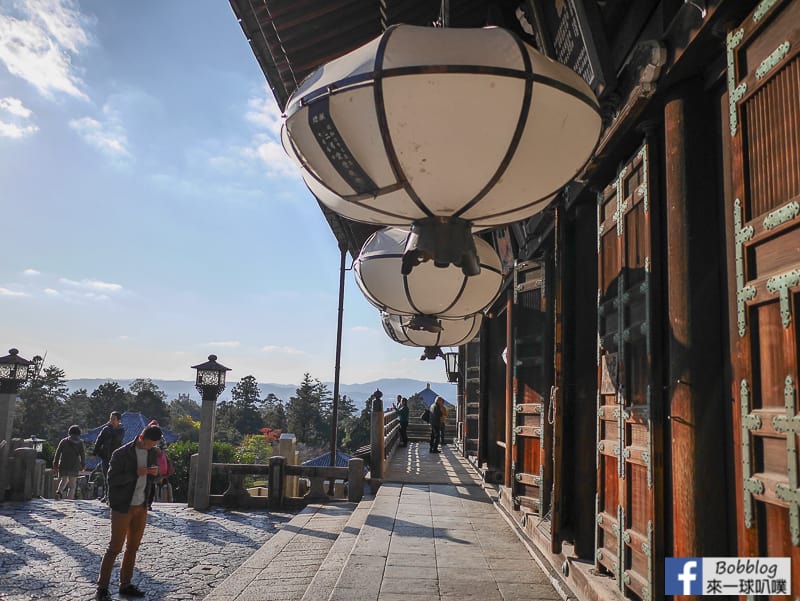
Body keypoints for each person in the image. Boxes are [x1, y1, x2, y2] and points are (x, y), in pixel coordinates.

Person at [95, 424, 162, 601]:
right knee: (115, 547)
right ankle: (102, 586)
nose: (151, 447)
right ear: (142, 438)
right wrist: (135, 473)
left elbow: (156, 478)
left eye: (154, 445)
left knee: (133, 547)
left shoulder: (153, 453)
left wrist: (155, 474)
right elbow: (112, 480)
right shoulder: (121, 453)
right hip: (122, 506)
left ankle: (125, 583)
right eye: (150, 444)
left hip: (141, 506)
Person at [94, 411, 125, 502]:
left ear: (118, 421)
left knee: (114, 476)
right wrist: (95, 452)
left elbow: (116, 439)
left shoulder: (121, 430)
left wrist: (110, 428)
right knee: (106, 476)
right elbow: (99, 440)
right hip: (105, 456)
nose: (111, 421)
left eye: (114, 419)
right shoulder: (105, 429)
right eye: (111, 419)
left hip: (116, 457)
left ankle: (114, 496)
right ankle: (107, 495)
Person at [53, 425, 86, 500]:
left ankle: (59, 492)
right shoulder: (80, 443)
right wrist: (83, 464)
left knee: (64, 480)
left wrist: (55, 465)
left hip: (63, 464)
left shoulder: (63, 441)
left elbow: (57, 454)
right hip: (74, 465)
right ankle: (69, 500)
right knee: (72, 486)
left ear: (70, 432)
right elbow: (82, 455)